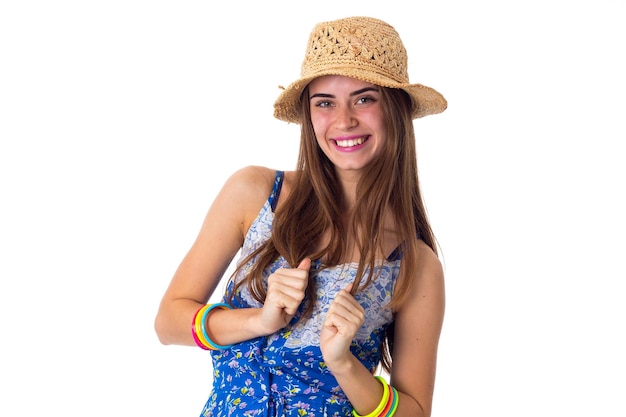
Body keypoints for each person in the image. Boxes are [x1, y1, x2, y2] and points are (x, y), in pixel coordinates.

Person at [155, 15, 447, 417]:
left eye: (364, 98)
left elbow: (415, 412)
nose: (343, 120)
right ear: (308, 116)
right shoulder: (255, 194)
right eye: (324, 102)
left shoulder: (413, 263)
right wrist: (258, 320)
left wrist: (344, 364)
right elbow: (169, 321)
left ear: (394, 109)